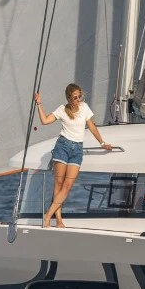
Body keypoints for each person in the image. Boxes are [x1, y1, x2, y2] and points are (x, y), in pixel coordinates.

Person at [34, 84, 113, 228]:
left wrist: (102, 143)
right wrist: (39, 104)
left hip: (77, 149)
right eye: (75, 97)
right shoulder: (62, 110)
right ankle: (58, 220)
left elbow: (92, 126)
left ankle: (47, 215)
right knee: (58, 184)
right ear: (69, 98)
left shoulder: (84, 108)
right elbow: (44, 121)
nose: (78, 99)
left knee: (67, 185)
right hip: (62, 147)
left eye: (79, 96)